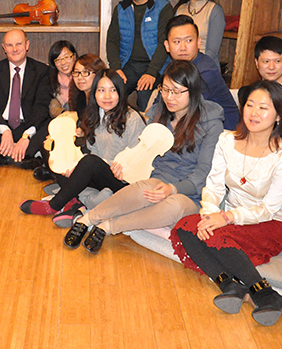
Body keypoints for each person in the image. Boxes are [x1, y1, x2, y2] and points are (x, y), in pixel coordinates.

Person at [171, 81, 282, 326]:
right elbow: (214, 186)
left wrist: (226, 218)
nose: (254, 113)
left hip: (270, 224)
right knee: (186, 227)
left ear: (278, 116)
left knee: (217, 236)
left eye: (263, 107)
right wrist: (209, 215)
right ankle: (229, 285)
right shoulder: (227, 140)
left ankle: (266, 293)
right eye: (250, 105)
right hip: (229, 219)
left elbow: (269, 209)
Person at [63, 60, 224, 252]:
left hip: (189, 192)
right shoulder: (157, 113)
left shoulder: (210, 121)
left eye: (176, 92)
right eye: (165, 90)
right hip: (157, 179)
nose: (169, 97)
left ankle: (108, 226)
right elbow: (142, 152)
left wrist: (173, 189)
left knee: (174, 206)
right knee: (142, 189)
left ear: (193, 91)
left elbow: (203, 172)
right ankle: (87, 219)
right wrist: (124, 164)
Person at [20, 69, 145, 218]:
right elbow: (93, 150)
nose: (107, 96)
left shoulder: (132, 119)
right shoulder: (96, 114)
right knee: (58, 151)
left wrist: (86, 165)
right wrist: (74, 163)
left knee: (89, 162)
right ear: (94, 93)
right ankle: (75, 202)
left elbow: (139, 159)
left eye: (113, 90)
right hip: (99, 173)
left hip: (122, 180)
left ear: (120, 92)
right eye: (101, 90)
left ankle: (54, 205)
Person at [0, 29, 51, 168]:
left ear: (27, 45)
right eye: (9, 45)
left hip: (27, 126)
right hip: (1, 127)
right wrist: (5, 131)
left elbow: (41, 107)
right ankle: (22, 157)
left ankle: (4, 155)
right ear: (4, 47)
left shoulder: (42, 71)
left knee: (50, 123)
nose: (14, 49)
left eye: (18, 44)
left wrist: (26, 136)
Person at [106, 0, 174, 110]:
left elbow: (164, 42)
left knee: (145, 99)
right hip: (127, 65)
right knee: (111, 92)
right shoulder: (122, 8)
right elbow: (112, 40)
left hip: (155, 66)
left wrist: (152, 72)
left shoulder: (163, 7)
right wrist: (116, 68)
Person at [33, 54, 109, 182]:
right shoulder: (79, 96)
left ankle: (60, 176)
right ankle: (58, 175)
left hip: (98, 148)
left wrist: (82, 134)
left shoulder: (103, 99)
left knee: (67, 151)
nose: (80, 77)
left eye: (86, 72)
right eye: (77, 73)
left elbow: (101, 135)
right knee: (48, 143)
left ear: (98, 74)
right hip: (84, 140)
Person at [164, 15, 238, 129]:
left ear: (198, 43)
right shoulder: (175, 67)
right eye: (177, 41)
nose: (183, 48)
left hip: (223, 129)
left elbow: (191, 110)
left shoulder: (205, 71)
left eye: (189, 40)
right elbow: (160, 102)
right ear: (167, 46)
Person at [238, 35, 282, 146]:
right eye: (266, 61)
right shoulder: (246, 92)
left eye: (277, 61)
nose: (271, 67)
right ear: (256, 63)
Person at [174, 0, 225, 65]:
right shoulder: (180, 9)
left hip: (204, 66)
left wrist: (191, 69)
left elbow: (212, 52)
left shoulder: (215, 11)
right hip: (181, 67)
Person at [47, 40, 77, 117]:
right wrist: (63, 112)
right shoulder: (49, 81)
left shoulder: (82, 79)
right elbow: (52, 108)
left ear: (74, 56)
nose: (63, 63)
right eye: (58, 60)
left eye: (66, 57)